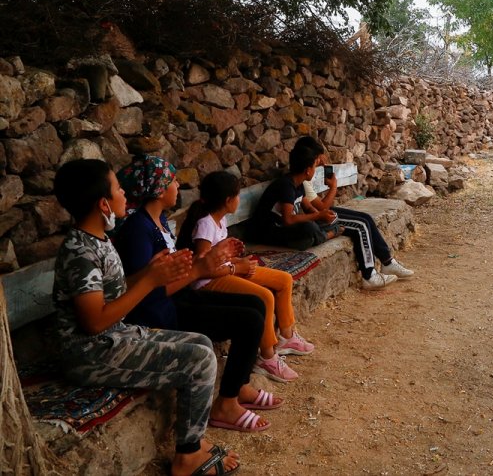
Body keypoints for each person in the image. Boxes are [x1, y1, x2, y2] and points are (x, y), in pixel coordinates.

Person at [52, 159, 240, 475]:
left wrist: (152, 272)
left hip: (113, 337)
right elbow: (93, 322)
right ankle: (187, 457)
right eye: (118, 189)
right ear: (103, 204)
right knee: (199, 360)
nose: (125, 194)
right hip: (90, 353)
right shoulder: (80, 252)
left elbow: (112, 293)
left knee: (202, 343)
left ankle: (194, 438)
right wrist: (150, 281)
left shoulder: (97, 240)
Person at [114, 155, 282, 434]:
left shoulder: (158, 221)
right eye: (172, 181)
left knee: (255, 303)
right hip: (158, 313)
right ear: (158, 189)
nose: (177, 186)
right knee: (249, 320)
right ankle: (226, 405)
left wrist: (213, 259)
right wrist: (201, 269)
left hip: (176, 298)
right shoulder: (138, 230)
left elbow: (175, 271)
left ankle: (240, 387)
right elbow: (147, 292)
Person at [176, 171, 316, 384]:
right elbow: (202, 268)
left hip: (228, 270)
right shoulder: (205, 224)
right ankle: (267, 357)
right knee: (264, 296)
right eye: (238, 195)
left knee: (284, 280)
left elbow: (220, 257)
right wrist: (236, 268)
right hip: (209, 282)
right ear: (228, 200)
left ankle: (287, 337)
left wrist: (239, 262)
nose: (239, 199)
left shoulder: (219, 220)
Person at [294, 136, 415, 290]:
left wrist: (322, 165)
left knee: (366, 218)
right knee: (360, 225)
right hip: (317, 218)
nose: (320, 160)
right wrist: (334, 187)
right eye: (317, 158)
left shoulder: (303, 173)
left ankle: (388, 262)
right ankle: (369, 275)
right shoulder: (303, 178)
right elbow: (322, 208)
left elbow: (318, 207)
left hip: (319, 214)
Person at [247, 143, 342, 252]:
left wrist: (323, 216)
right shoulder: (286, 186)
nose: (315, 170)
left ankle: (318, 235)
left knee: (328, 222)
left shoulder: (299, 183)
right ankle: (327, 235)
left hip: (286, 229)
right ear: (308, 170)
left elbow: (308, 208)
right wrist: (318, 216)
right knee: (309, 227)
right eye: (314, 167)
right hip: (269, 231)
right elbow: (288, 220)